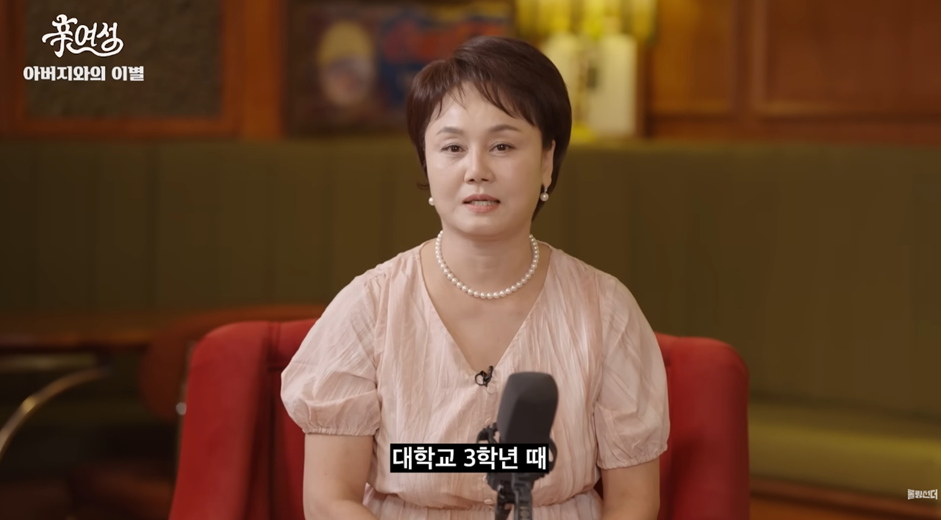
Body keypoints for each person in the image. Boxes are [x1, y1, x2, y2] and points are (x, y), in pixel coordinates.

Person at [281, 36, 669, 520]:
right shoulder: (369, 307)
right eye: (452, 147)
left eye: (502, 145)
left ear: (546, 161)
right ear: (427, 162)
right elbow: (329, 500)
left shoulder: (605, 310)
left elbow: (633, 501)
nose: (476, 170)